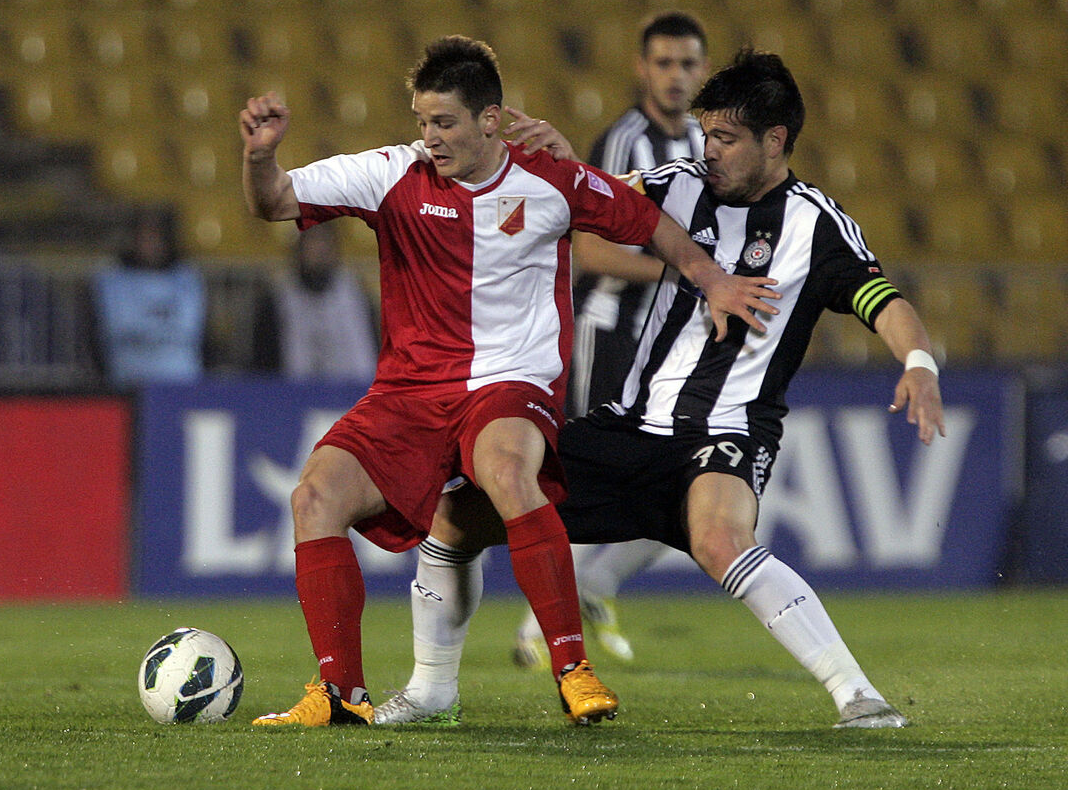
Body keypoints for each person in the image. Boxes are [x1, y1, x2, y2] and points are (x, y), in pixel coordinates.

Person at [375, 49, 945, 730]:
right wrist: (564, 164)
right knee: (453, 516)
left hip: (727, 430)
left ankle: (858, 695)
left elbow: (883, 301)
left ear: (775, 140)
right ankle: (432, 690)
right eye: (706, 134)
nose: (710, 151)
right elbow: (588, 198)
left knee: (719, 540)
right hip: (631, 425)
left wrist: (918, 362)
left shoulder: (816, 225)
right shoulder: (678, 184)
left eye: (726, 138)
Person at [239, 35, 779, 727]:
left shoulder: (551, 181)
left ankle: (573, 669)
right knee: (314, 496)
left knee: (504, 469)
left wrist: (713, 279)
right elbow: (275, 201)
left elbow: (650, 223)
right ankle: (340, 692)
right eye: (423, 121)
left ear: (489, 119)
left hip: (511, 383)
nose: (430, 137)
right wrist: (260, 157)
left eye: (445, 122)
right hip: (410, 392)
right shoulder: (390, 173)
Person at [515, 10, 712, 670]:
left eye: (687, 63)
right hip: (614, 333)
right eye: (664, 63)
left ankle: (594, 585)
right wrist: (686, 270)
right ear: (641, 69)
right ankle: (538, 625)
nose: (676, 76)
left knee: (694, 481)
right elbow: (591, 250)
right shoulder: (623, 141)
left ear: (703, 71)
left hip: (673, 343)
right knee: (587, 479)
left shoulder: (705, 144)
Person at [90, 204, 207, 389]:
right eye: (144, 238)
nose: (150, 245)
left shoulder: (188, 279)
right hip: (128, 383)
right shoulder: (112, 279)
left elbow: (201, 334)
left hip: (181, 383)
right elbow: (98, 333)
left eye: (155, 237)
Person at [252, 220, 379, 380]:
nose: (320, 250)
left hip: (351, 391)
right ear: (299, 248)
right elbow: (263, 369)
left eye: (325, 241)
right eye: (313, 241)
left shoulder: (358, 297)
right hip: (291, 392)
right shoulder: (275, 302)